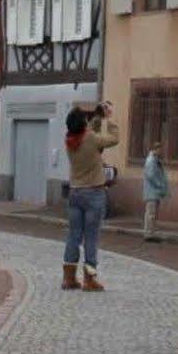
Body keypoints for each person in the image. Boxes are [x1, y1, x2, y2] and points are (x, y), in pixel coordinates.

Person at [61, 102, 119, 291]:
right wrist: (109, 118)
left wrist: (96, 119)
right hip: (94, 192)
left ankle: (68, 278)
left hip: (75, 192)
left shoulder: (70, 140)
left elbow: (88, 134)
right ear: (83, 124)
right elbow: (113, 139)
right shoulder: (91, 139)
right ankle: (89, 278)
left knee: (74, 235)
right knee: (91, 237)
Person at [141, 148, 169, 241]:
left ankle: (151, 232)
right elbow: (150, 176)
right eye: (159, 149)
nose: (161, 152)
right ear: (155, 149)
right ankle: (148, 234)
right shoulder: (151, 161)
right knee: (150, 213)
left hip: (155, 192)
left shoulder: (155, 160)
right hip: (151, 191)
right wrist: (159, 185)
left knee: (153, 213)